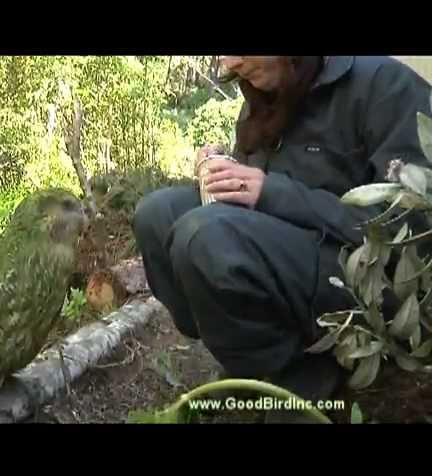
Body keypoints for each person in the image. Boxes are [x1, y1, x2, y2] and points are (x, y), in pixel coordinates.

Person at [132, 56, 432, 422]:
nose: (230, 63)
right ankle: (253, 360)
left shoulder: (384, 85)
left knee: (204, 238)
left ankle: (303, 376)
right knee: (157, 215)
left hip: (361, 280)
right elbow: (253, 199)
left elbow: (409, 228)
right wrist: (221, 173)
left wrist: (271, 193)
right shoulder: (266, 92)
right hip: (289, 260)